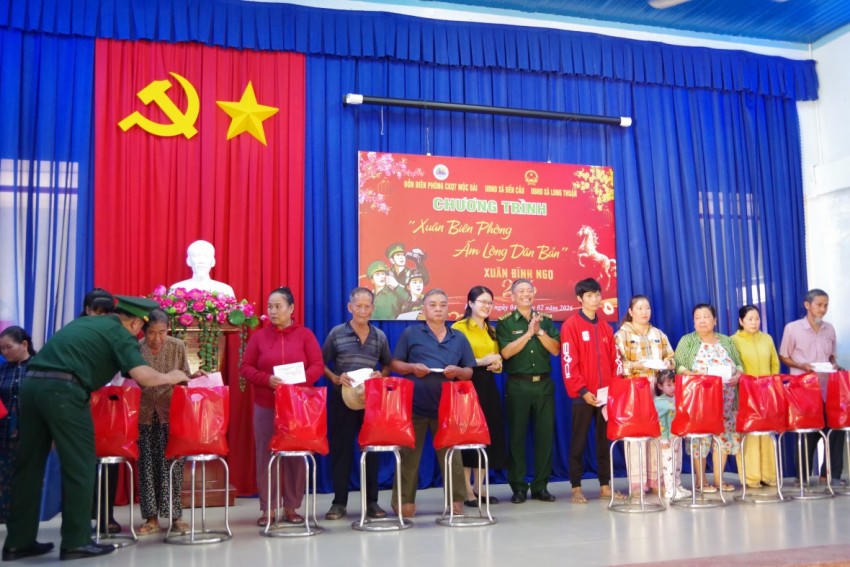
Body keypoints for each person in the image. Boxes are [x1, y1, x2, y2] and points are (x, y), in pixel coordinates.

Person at [2, 296, 189, 561]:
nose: (139, 334)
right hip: (64, 391)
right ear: (136, 322)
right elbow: (144, 377)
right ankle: (76, 541)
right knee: (80, 464)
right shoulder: (121, 333)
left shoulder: (86, 323)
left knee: (28, 466)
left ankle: (17, 543)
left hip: (31, 386)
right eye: (141, 328)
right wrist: (172, 376)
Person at [240, 287, 324, 526]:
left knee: (295, 455)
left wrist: (300, 381)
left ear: (291, 309)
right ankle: (268, 508)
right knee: (265, 455)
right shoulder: (259, 337)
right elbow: (245, 367)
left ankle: (291, 506)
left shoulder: (305, 335)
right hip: (266, 404)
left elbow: (318, 365)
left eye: (278, 306)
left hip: (297, 406)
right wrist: (267, 380)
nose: (273, 311)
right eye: (270, 307)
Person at [390, 289, 475, 518]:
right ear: (424, 309)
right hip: (414, 405)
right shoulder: (411, 333)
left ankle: (456, 500)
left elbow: (469, 371)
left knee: (452, 457)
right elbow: (395, 364)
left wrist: (458, 371)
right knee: (409, 457)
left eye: (442, 305)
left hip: (447, 407)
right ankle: (403, 501)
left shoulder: (458, 337)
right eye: (433, 305)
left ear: (448, 309)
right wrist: (412, 368)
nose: (438, 309)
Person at [322, 288, 392, 521]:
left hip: (369, 401)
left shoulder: (379, 336)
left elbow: (388, 365)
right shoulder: (337, 333)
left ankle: (372, 502)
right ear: (349, 307)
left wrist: (381, 375)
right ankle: (338, 502)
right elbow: (321, 363)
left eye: (367, 306)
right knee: (341, 451)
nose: (363, 310)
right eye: (358, 306)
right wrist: (335, 378)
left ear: (373, 308)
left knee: (371, 451)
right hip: (342, 399)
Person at [496, 279, 560, 504]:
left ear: (534, 293)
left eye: (529, 291)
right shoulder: (505, 323)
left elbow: (555, 350)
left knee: (545, 437)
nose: (525, 294)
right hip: (518, 385)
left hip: (544, 385)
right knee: (516, 437)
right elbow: (506, 353)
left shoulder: (546, 320)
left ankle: (541, 486)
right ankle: (519, 487)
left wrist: (539, 331)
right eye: (520, 291)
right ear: (512, 296)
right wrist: (528, 334)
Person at [561, 278, 621, 504]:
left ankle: (605, 485)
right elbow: (569, 362)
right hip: (582, 395)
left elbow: (615, 361)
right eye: (589, 296)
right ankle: (576, 487)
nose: (594, 299)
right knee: (578, 441)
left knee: (604, 441)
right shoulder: (571, 326)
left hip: (605, 396)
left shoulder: (606, 327)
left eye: (597, 295)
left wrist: (612, 389)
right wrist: (582, 390)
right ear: (580, 298)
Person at [674, 303, 743, 492]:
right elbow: (678, 365)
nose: (702, 320)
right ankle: (701, 480)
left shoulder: (726, 340)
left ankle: (719, 480)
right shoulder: (687, 340)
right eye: (698, 317)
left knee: (723, 437)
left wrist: (738, 375)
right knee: (700, 439)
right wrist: (691, 374)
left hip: (726, 400)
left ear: (715, 320)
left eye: (706, 316)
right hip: (699, 401)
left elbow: (738, 364)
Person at [779, 289, 844, 484]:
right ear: (807, 305)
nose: (823, 309)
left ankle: (829, 475)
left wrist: (835, 365)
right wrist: (802, 366)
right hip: (803, 390)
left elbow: (831, 357)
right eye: (819, 305)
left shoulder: (829, 329)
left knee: (836, 430)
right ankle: (803, 478)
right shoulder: (792, 328)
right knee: (808, 433)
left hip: (828, 389)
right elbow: (784, 356)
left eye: (826, 305)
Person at [137, 309, 191, 535]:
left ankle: (176, 517)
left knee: (173, 465)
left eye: (162, 332)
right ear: (144, 331)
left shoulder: (178, 346)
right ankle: (151, 518)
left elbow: (185, 377)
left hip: (171, 413)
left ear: (168, 330)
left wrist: (192, 379)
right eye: (152, 333)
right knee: (146, 466)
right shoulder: (136, 348)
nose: (157, 338)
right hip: (144, 414)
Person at [451, 286, 507, 506]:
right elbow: (455, 360)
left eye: (490, 303)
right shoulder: (459, 328)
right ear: (470, 303)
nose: (486, 306)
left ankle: (479, 487)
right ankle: (466, 490)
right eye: (482, 302)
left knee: (487, 434)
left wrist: (497, 364)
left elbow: (497, 358)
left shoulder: (491, 330)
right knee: (469, 435)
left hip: (488, 384)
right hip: (466, 384)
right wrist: (482, 361)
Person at [614, 295, 675, 494]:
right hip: (635, 388)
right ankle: (637, 482)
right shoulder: (622, 335)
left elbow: (671, 357)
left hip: (658, 387)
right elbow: (618, 364)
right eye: (639, 308)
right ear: (630, 311)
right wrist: (638, 366)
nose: (644, 312)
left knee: (658, 430)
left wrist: (668, 363)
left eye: (647, 308)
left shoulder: (658, 333)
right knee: (636, 433)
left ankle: (656, 479)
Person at [78, 288, 123, 535]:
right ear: (87, 311)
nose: (102, 317)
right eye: (98, 312)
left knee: (110, 460)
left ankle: (106, 516)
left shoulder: (114, 334)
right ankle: (81, 520)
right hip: (81, 401)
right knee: (83, 463)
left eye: (107, 313)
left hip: (109, 403)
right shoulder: (76, 332)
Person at [731, 305, 780, 488]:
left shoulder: (767, 339)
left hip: (766, 394)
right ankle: (751, 478)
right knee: (750, 435)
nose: (754, 322)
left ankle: (769, 475)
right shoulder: (733, 341)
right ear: (741, 321)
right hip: (745, 395)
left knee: (767, 434)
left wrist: (773, 386)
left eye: (757, 318)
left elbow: (774, 364)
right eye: (750, 319)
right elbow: (734, 366)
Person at [0, 327, 36, 523]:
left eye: (8, 347)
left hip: (30, 431)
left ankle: (25, 519)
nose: (5, 352)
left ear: (24, 344)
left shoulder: (39, 367)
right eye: (1, 349)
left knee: (27, 477)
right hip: (4, 430)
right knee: (4, 476)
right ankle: (5, 517)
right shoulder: (3, 370)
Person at [654, 370, 689, 500]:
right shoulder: (659, 402)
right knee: (669, 464)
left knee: (677, 463)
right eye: (668, 385)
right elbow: (661, 422)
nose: (673, 387)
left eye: (674, 384)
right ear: (660, 386)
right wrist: (663, 439)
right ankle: (670, 489)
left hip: (676, 437)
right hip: (667, 438)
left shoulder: (676, 398)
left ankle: (677, 485)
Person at [169, 239, 235, 297]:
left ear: (213, 261)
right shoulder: (176, 289)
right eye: (196, 256)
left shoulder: (225, 290)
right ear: (188, 261)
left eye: (206, 256)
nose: (201, 261)